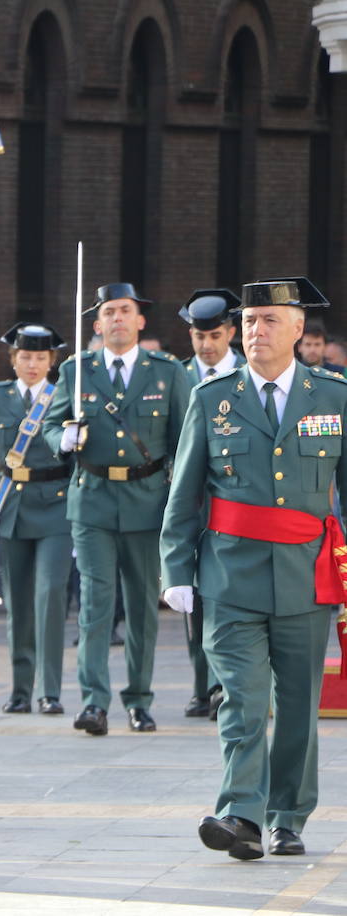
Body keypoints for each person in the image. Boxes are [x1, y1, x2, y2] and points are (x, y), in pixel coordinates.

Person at [161, 277, 344, 861]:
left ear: (298, 329)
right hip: (229, 574)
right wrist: (177, 570)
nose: (255, 331)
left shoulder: (334, 396)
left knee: (296, 703)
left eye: (269, 320)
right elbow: (185, 490)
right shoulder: (212, 397)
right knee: (241, 697)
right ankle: (240, 813)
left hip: (306, 574)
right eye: (249, 321)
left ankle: (286, 817)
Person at [43, 283, 191, 736]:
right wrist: (63, 439)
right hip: (93, 498)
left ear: (140, 320)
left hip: (147, 502)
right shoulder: (78, 371)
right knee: (95, 604)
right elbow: (51, 422)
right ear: (97, 324)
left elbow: (186, 438)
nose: (118, 319)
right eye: (109, 312)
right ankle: (94, 702)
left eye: (126, 311)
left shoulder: (165, 371)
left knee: (144, 606)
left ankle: (140, 699)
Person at [0, 323, 71, 715]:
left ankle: (49, 690)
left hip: (56, 505)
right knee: (18, 603)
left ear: (51, 360)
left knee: (50, 595)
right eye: (25, 357)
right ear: (13, 359)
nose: (32, 364)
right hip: (12, 508)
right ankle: (21, 689)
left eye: (40, 358)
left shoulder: (62, 396)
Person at [177, 289, 245, 720]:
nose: (206, 344)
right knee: (192, 598)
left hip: (233, 504)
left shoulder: (248, 372)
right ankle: (201, 685)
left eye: (216, 335)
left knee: (231, 595)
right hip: (190, 503)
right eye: (199, 336)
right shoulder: (175, 376)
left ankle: (225, 685)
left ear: (231, 333)